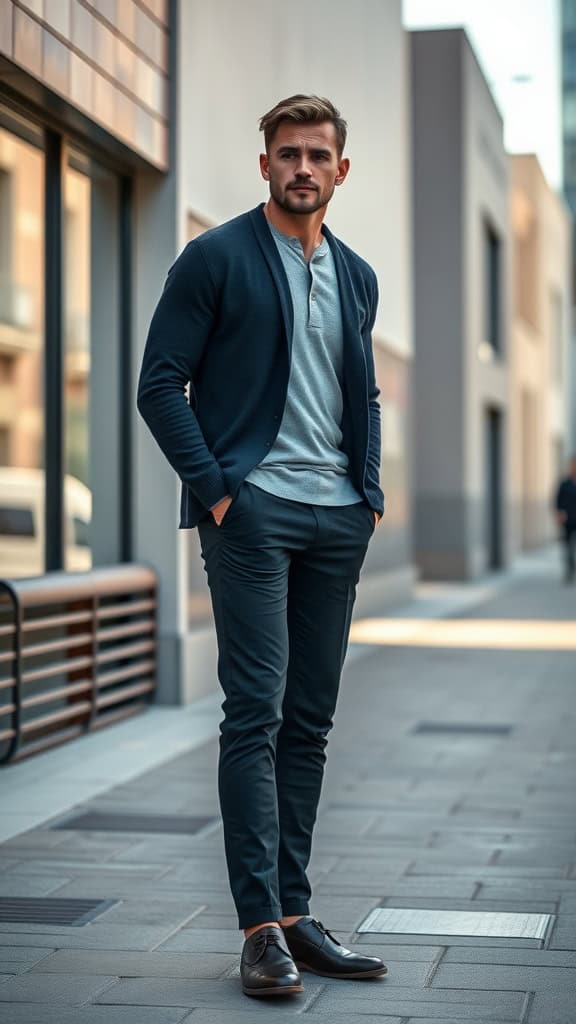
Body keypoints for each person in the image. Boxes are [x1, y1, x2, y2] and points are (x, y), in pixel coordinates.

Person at [137, 95, 387, 998]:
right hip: (253, 514)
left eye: (319, 154)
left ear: (341, 171)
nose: (303, 168)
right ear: (265, 165)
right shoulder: (215, 259)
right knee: (257, 714)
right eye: (288, 153)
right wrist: (218, 493)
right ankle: (257, 931)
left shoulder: (356, 276)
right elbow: (159, 384)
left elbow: (359, 394)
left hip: (337, 520)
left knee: (310, 725)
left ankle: (294, 910)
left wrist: (369, 491)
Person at [554, 456, 576, 583]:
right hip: (568, 519)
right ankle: (569, 569)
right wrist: (559, 513)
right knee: (567, 546)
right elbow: (558, 500)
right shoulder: (564, 483)